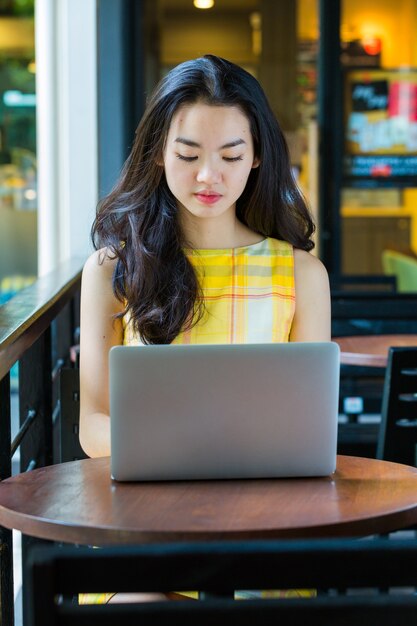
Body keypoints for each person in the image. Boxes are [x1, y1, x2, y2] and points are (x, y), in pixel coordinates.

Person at [79, 53, 330, 459]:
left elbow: (311, 421)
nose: (208, 176)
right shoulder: (113, 269)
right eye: (188, 155)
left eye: (230, 156)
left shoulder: (302, 275)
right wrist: (193, 451)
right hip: (150, 501)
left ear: (257, 156)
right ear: (158, 153)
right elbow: (93, 426)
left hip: (265, 499)